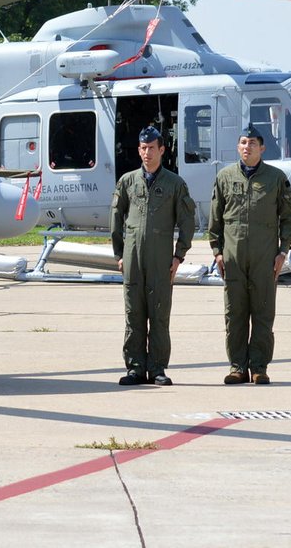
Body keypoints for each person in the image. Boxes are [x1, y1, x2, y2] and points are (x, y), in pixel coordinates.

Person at [207, 125, 291, 385]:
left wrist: (283, 251)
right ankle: (237, 367)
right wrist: (217, 252)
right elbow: (215, 219)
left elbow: (289, 217)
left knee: (263, 313)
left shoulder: (276, 178)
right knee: (234, 314)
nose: (248, 147)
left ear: (262, 148)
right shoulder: (225, 177)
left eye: (253, 143)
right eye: (244, 143)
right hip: (233, 259)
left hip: (264, 259)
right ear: (238, 147)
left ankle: (258, 367)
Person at [111, 126, 195, 387]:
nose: (147, 153)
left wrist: (178, 256)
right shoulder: (127, 181)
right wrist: (119, 254)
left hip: (161, 260)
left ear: (162, 150)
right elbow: (116, 218)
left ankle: (157, 368)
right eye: (143, 148)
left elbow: (187, 221)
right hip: (133, 258)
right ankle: (135, 368)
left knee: (159, 315)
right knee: (134, 314)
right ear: (139, 150)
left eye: (151, 148)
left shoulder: (175, 184)